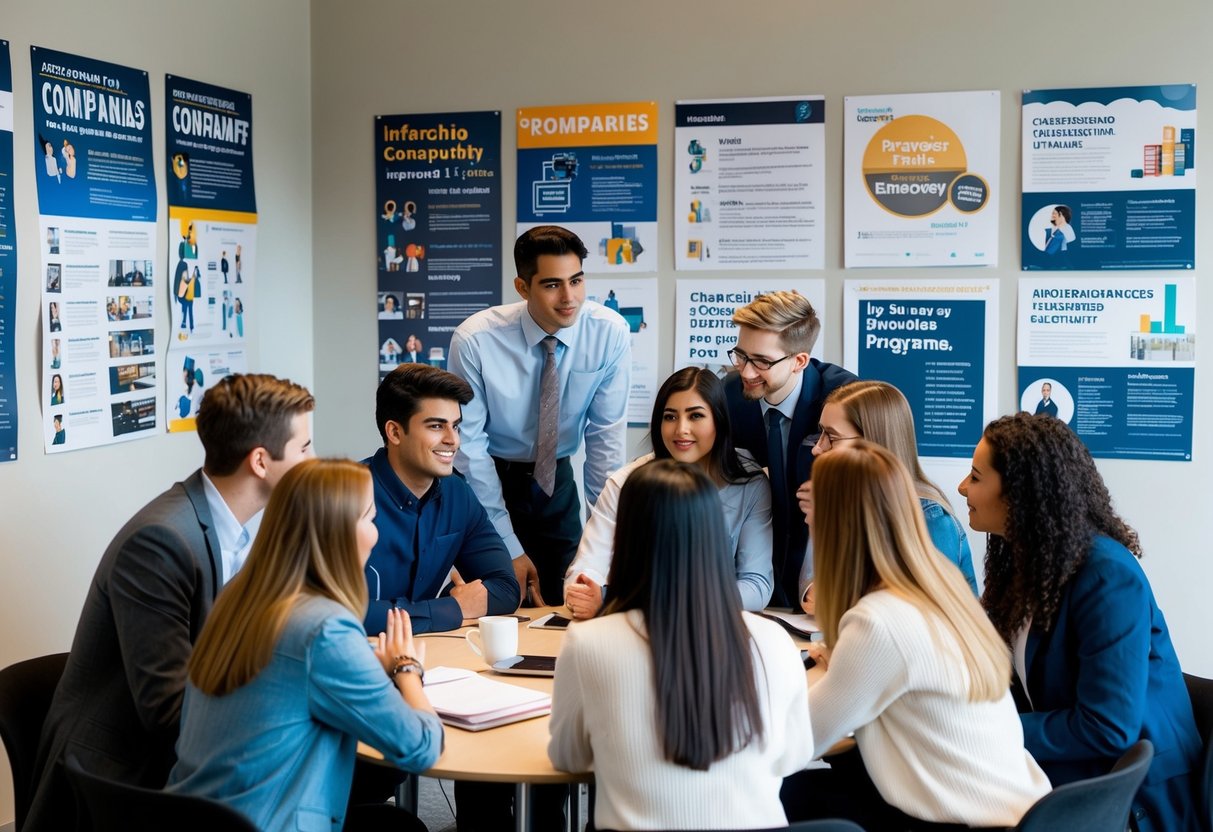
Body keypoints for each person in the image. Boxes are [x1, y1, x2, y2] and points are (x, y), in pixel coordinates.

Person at [25, 374, 316, 832]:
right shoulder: (162, 541)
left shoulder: (235, 529)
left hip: (181, 753)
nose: (312, 461)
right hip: (120, 778)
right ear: (261, 461)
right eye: (304, 448)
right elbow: (168, 710)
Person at [783, 441, 1051, 831]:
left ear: (837, 523)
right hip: (1019, 811)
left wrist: (812, 673)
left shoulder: (879, 622)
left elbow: (795, 741)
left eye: (814, 509)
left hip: (960, 823)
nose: (806, 521)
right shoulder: (941, 589)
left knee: (775, 794)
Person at [166, 459, 443, 831]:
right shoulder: (325, 629)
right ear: (340, 534)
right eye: (368, 519)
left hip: (196, 816)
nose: (376, 534)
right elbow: (421, 748)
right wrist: (407, 668)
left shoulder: (239, 596)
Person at [959, 413, 1202, 832]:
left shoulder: (1108, 576)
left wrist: (987, 729)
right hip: (1070, 768)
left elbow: (1107, 728)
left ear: (1021, 495)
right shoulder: (1026, 564)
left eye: (976, 477)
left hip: (1131, 798)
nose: (963, 487)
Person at [549, 460, 812, 830]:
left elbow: (569, 758)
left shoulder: (588, 642)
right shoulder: (774, 639)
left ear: (626, 539)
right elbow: (793, 757)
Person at [448, 225, 630, 607]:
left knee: (570, 595)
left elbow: (604, 445)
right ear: (522, 287)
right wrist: (508, 546)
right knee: (497, 598)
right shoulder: (475, 340)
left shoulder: (608, 332)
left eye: (576, 281)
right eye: (552, 285)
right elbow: (471, 451)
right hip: (489, 478)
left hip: (555, 481)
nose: (569, 298)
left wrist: (607, 547)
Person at [563, 367, 773, 618]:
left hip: (714, 628)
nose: (681, 429)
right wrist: (584, 592)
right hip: (639, 627)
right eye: (670, 417)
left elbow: (757, 585)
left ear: (719, 419)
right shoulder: (626, 482)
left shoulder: (749, 483)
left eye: (695, 416)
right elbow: (586, 570)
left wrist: (676, 600)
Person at [362, 363, 519, 635]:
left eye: (456, 426)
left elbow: (505, 589)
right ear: (395, 432)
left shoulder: (458, 494)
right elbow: (337, 613)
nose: (453, 440)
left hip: (429, 656)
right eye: (436, 426)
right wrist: (451, 608)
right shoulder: (343, 495)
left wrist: (428, 612)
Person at [796, 380, 978, 612]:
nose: (817, 448)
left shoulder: (929, 518)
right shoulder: (846, 503)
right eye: (820, 433)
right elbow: (810, 593)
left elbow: (918, 620)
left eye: (831, 437)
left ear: (873, 443)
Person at [724, 290, 856, 605]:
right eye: (741, 355)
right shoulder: (727, 396)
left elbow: (867, 493)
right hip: (750, 570)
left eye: (762, 361)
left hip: (824, 572)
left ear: (799, 361)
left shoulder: (842, 400)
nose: (746, 371)